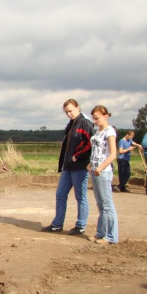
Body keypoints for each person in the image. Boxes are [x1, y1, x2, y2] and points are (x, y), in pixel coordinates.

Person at [41, 99, 94, 235]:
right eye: (66, 112)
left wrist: (77, 156)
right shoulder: (72, 124)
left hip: (79, 166)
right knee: (60, 194)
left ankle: (80, 225)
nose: (69, 114)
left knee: (80, 196)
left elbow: (90, 144)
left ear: (78, 108)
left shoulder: (85, 123)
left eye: (70, 111)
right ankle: (57, 224)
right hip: (68, 166)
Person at [87, 106, 118, 245]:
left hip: (103, 172)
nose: (95, 120)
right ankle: (101, 233)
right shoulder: (97, 131)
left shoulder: (109, 131)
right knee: (100, 205)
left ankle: (111, 236)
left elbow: (113, 154)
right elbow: (96, 151)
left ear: (106, 116)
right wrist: (90, 164)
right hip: (94, 170)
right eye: (93, 118)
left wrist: (100, 167)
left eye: (97, 118)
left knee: (107, 205)